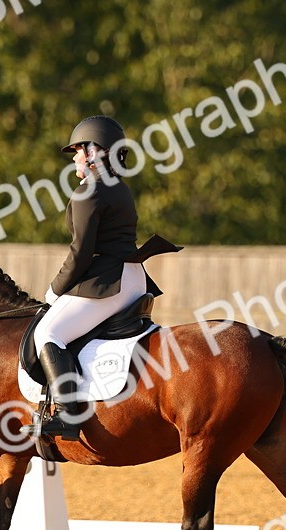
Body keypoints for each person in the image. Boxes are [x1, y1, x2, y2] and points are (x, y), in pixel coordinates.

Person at [32, 115, 173, 441]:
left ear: (98, 152)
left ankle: (68, 415)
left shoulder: (89, 191)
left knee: (48, 332)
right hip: (134, 278)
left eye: (80, 150)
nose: (75, 158)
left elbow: (80, 253)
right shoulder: (119, 188)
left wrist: (55, 290)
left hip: (108, 283)